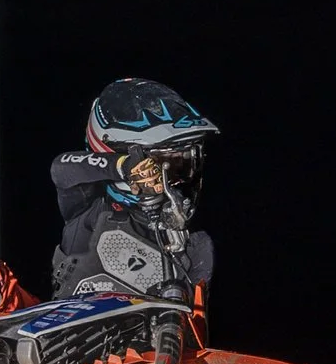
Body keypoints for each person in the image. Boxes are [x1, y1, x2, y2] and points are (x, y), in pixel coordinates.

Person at [48, 77, 218, 300]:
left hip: (146, 333)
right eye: (166, 165)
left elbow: (192, 324)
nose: (177, 181)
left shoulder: (193, 246)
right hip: (68, 328)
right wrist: (122, 166)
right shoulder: (89, 206)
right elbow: (61, 168)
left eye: (185, 164)